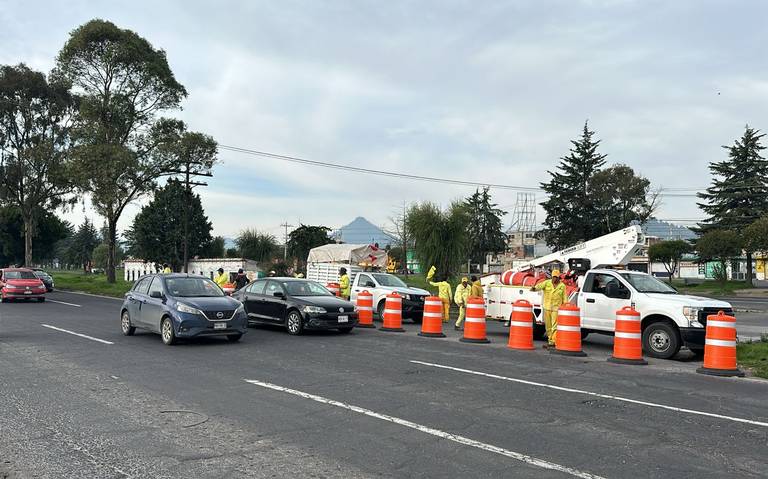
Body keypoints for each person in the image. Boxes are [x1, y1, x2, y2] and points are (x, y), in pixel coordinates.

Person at [531, 269, 568, 349]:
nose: (554, 279)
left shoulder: (562, 286)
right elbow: (539, 286)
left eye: (556, 277)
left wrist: (565, 306)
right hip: (547, 307)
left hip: (556, 309)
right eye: (553, 277)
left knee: (554, 326)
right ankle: (550, 340)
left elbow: (565, 298)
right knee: (548, 326)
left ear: (559, 278)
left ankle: (553, 342)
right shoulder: (547, 283)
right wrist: (534, 288)